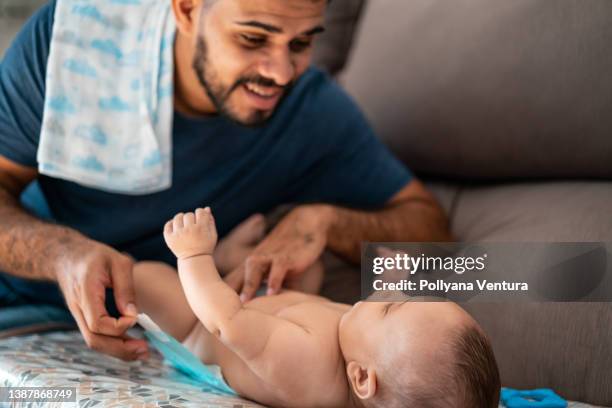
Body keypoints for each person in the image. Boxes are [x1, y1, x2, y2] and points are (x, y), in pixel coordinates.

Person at [0, 0, 451, 361]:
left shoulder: (311, 113)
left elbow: (432, 231)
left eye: (301, 43)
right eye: (253, 38)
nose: (280, 73)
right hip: (19, 303)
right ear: (187, 10)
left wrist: (324, 223)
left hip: (161, 342)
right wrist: (64, 257)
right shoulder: (71, 45)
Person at [131, 207, 500, 408]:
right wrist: (393, 282)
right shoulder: (367, 347)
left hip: (201, 328)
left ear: (361, 379)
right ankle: (230, 261)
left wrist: (194, 256)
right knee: (309, 268)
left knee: (147, 278)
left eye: (391, 307)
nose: (390, 296)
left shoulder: (307, 367)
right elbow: (399, 330)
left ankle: (216, 262)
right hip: (270, 306)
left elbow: (227, 322)